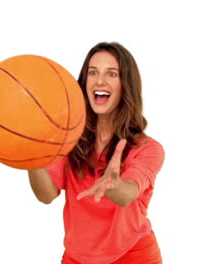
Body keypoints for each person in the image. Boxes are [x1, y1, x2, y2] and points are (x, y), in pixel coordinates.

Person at [28, 42, 165, 264]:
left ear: (125, 85)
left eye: (112, 73)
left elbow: (127, 194)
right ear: (84, 83)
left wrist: (114, 185)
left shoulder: (148, 149)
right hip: (76, 258)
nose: (100, 80)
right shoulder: (69, 141)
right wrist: (31, 155)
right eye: (93, 72)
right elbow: (45, 194)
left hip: (133, 256)